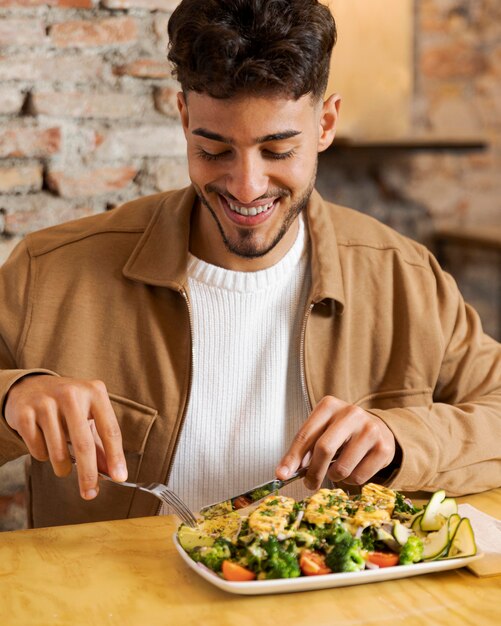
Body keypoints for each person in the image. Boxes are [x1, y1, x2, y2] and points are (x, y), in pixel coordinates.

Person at [0, 0, 500, 529]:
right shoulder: (49, 271)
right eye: (214, 149)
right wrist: (12, 396)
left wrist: (401, 439)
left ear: (326, 123)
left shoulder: (405, 277)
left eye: (278, 150)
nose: (246, 187)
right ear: (185, 118)